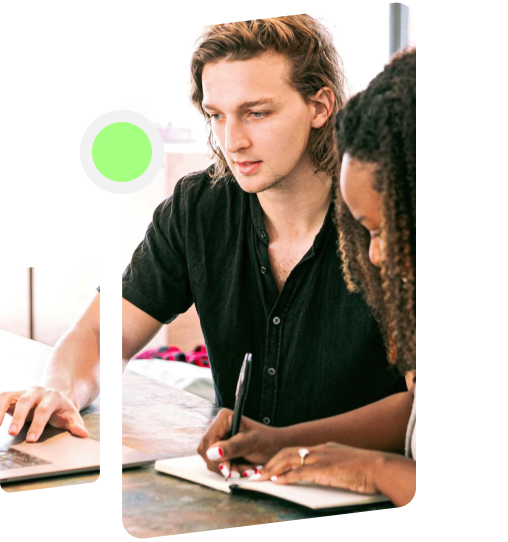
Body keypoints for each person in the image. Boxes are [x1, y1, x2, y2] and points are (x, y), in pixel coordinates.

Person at [197, 48, 415, 482]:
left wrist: (377, 472)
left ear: (320, 107)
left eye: (256, 113)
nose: (232, 141)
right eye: (215, 116)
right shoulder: (201, 206)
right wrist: (281, 442)